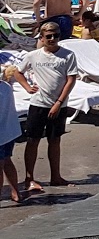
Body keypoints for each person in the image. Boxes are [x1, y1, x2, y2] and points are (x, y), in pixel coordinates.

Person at [17, 20, 77, 192]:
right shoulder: (33, 55)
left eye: (55, 36)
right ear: (42, 38)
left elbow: (71, 80)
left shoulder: (68, 55)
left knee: (55, 140)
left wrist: (58, 103)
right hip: (38, 103)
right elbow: (17, 71)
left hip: (58, 104)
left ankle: (56, 177)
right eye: (48, 36)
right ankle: (29, 178)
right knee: (32, 140)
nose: (52, 39)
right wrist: (28, 87)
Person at [0, 63, 22, 203]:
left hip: (2, 134)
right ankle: (15, 192)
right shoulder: (6, 87)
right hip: (10, 131)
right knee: (7, 161)